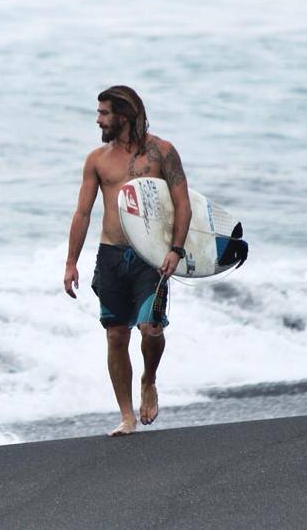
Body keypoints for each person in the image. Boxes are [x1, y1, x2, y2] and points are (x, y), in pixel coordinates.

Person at [63, 85, 191, 436]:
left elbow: (183, 203)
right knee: (116, 335)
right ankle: (126, 415)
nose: (98, 120)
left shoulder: (162, 152)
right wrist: (71, 262)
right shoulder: (97, 160)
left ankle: (149, 379)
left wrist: (176, 250)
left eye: (104, 113)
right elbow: (82, 213)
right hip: (111, 256)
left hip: (151, 256)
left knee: (151, 327)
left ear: (124, 115)